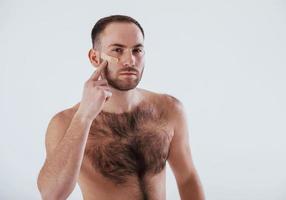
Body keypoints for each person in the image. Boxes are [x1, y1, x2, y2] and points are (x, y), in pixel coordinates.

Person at [37, 15, 205, 200]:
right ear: (95, 57)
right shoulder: (65, 123)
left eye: (137, 50)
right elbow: (51, 194)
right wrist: (84, 117)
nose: (130, 60)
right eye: (117, 50)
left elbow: (187, 178)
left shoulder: (169, 109)